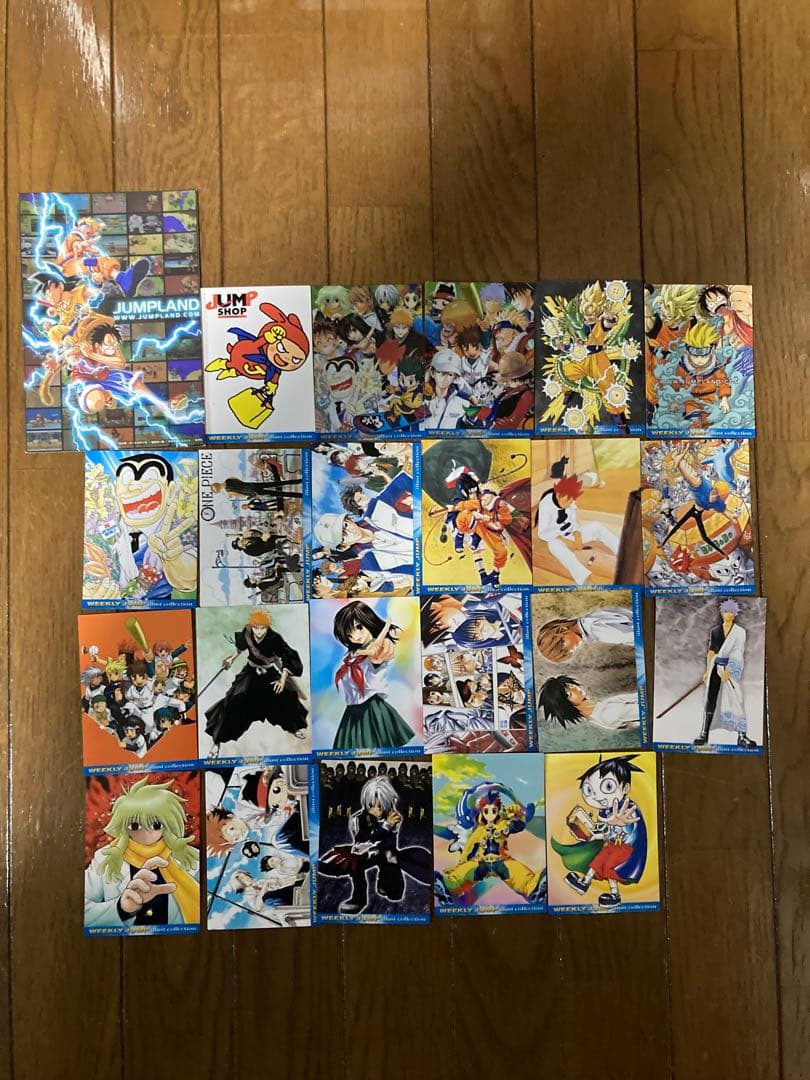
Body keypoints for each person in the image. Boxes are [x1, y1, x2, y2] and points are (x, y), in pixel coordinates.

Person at [84, 778, 199, 929]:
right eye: (135, 825)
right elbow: (81, 912)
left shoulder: (190, 857)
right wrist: (121, 909)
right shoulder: (105, 858)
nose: (146, 833)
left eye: (155, 824)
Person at [318, 775, 431, 914]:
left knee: (395, 892)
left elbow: (390, 842)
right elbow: (365, 839)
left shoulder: (391, 816)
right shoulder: (359, 819)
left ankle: (385, 883)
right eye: (372, 806)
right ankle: (359, 899)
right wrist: (386, 826)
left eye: (380, 805)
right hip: (363, 853)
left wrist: (390, 850)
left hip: (385, 853)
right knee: (356, 868)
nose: (376, 810)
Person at [204, 609, 308, 754]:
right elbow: (240, 649)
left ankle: (293, 728)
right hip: (250, 671)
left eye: (262, 628)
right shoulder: (247, 633)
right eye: (256, 627)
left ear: (267, 626)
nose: (259, 632)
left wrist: (282, 680)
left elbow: (287, 657)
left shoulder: (275, 638)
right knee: (234, 699)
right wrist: (231, 659)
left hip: (269, 673)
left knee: (287, 695)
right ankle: (218, 740)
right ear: (251, 626)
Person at [551, 755, 647, 909]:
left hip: (626, 849)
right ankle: (584, 883)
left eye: (608, 787)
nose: (597, 796)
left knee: (609, 865)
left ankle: (615, 895)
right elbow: (606, 832)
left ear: (625, 788)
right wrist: (588, 835)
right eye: (589, 790)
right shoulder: (605, 811)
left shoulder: (628, 808)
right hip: (611, 845)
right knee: (598, 860)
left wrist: (619, 823)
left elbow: (632, 830)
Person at [331, 601, 414, 750]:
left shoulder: (379, 646)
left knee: (372, 747)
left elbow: (376, 652)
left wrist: (386, 629)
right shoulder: (352, 655)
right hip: (352, 710)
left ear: (368, 621)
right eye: (349, 634)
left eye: (359, 627)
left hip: (371, 708)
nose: (355, 636)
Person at [536, 473, 619, 586]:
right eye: (568, 501)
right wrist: (567, 541)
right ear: (559, 495)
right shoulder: (546, 504)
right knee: (554, 546)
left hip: (571, 534)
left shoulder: (569, 500)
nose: (570, 504)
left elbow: (574, 522)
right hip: (558, 538)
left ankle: (620, 550)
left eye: (572, 501)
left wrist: (578, 536)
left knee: (597, 526)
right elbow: (543, 533)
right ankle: (583, 577)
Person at [694, 599, 756, 748]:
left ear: (735, 614)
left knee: (737, 700)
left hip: (732, 668)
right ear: (722, 613)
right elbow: (711, 652)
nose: (728, 615)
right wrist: (707, 671)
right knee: (711, 698)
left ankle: (742, 736)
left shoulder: (739, 632)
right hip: (716, 667)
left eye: (731, 612)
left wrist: (729, 669)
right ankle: (704, 733)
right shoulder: (715, 631)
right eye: (726, 612)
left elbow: (738, 652)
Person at [537, 675, 638, 732]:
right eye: (568, 694)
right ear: (566, 705)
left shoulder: (599, 712)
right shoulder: (608, 713)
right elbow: (643, 710)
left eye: (570, 685)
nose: (575, 689)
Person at [535, 606, 635, 662]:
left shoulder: (594, 629)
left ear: (561, 629)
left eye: (563, 645)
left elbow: (635, 636)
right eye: (566, 653)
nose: (570, 650)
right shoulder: (588, 621)